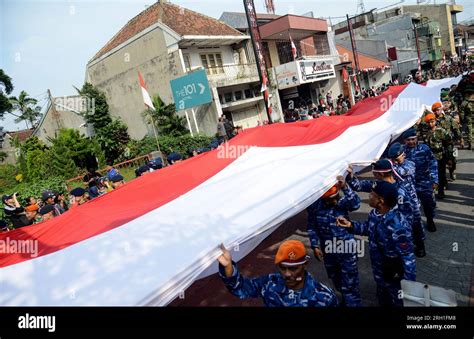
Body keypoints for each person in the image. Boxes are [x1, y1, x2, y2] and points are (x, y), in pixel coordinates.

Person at [336, 181, 416, 307]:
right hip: (380, 270)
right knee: (383, 298)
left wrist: (408, 286)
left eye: (372, 194)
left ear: (381, 201)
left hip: (393, 273)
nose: (369, 196)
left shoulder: (397, 225)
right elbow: (369, 228)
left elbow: (408, 258)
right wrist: (351, 225)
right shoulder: (376, 214)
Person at [217, 240, 338, 307]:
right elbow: (241, 289)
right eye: (282, 268)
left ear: (305, 264)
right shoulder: (270, 283)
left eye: (293, 269)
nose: (287, 274)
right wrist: (228, 267)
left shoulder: (325, 297)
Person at [347, 159, 424, 257]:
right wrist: (350, 176)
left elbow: (408, 219)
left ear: (381, 175)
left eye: (374, 173)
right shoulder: (378, 185)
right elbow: (358, 186)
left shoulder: (401, 192)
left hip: (394, 240)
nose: (373, 174)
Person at [307, 176, 362, 307]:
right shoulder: (315, 206)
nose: (333, 202)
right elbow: (312, 225)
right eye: (329, 200)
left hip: (346, 248)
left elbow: (356, 204)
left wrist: (345, 187)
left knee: (350, 283)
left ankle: (353, 303)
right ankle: (346, 298)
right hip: (328, 249)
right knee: (335, 277)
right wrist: (314, 245)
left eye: (334, 198)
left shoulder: (342, 202)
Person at [387, 143, 426, 257]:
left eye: (398, 156)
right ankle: (404, 247)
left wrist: (389, 164)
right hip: (397, 202)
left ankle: (420, 246)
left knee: (416, 224)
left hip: (411, 201)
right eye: (394, 158)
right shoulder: (392, 167)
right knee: (401, 225)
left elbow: (400, 172)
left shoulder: (410, 164)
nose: (397, 159)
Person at [402, 128, 438, 232]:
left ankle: (430, 220)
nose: (411, 142)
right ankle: (415, 225)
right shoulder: (402, 151)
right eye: (408, 140)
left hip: (424, 181)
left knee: (428, 203)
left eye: (413, 139)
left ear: (417, 138)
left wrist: (435, 179)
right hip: (409, 183)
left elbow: (433, 163)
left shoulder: (424, 148)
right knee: (412, 206)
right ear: (405, 141)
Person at [425, 113, 448, 199]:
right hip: (430, 157)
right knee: (431, 174)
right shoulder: (426, 132)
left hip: (440, 156)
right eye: (428, 122)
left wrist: (448, 156)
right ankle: (432, 191)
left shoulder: (441, 131)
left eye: (432, 121)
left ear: (435, 121)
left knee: (441, 174)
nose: (430, 124)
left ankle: (441, 191)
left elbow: (448, 142)